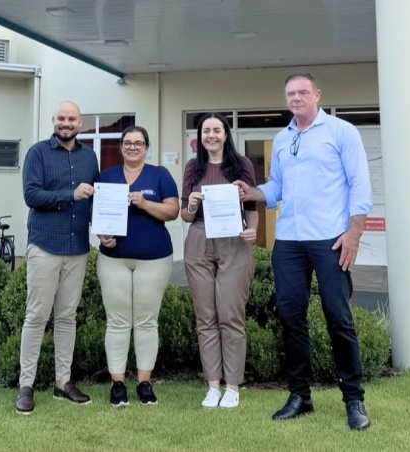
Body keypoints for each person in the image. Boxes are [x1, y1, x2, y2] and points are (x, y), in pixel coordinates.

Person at [235, 73, 373, 430]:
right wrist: (251, 192)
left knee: (338, 317)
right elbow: (277, 186)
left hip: (330, 240)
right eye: (290, 94)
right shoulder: (283, 138)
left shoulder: (341, 132)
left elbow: (360, 183)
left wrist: (354, 233)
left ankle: (354, 400)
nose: (296, 98)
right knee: (290, 317)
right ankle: (300, 396)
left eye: (302, 92)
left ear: (316, 95)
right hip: (290, 242)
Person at [15, 100, 99, 415]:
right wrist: (70, 194)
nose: (66, 123)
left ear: (80, 123)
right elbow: (32, 195)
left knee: (67, 318)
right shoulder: (38, 153)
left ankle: (63, 383)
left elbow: (95, 199)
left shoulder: (90, 156)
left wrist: (103, 228)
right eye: (61, 118)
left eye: (72, 119)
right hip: (45, 247)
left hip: (77, 248)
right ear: (54, 121)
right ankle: (26, 386)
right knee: (36, 316)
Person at [95, 126, 180, 407]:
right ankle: (117, 384)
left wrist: (144, 203)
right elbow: (97, 213)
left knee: (146, 321)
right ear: (120, 147)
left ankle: (145, 382)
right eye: (127, 143)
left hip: (154, 259)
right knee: (117, 322)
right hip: (113, 259)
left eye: (138, 143)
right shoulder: (106, 176)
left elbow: (172, 211)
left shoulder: (160, 175)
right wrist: (101, 233)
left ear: (147, 147)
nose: (133, 147)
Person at [181, 113, 258, 409]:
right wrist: (190, 205)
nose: (211, 135)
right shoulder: (192, 167)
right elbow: (185, 215)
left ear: (226, 134)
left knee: (231, 316)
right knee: (206, 317)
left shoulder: (242, 165)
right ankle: (213, 386)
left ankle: (233, 387)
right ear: (199, 136)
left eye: (217, 130)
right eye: (205, 130)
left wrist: (253, 229)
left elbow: (250, 205)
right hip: (199, 238)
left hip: (234, 240)